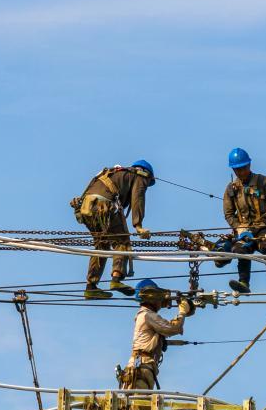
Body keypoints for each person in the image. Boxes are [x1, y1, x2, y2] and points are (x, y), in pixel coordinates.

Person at [72, 160, 156, 299]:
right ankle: (116, 280)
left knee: (102, 245)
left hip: (87, 209)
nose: (146, 185)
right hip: (104, 206)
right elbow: (138, 199)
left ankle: (91, 287)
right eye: (148, 183)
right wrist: (138, 226)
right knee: (122, 241)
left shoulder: (114, 173)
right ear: (147, 174)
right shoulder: (140, 176)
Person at [220, 147, 266, 295]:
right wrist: (238, 227)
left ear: (249, 166)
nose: (240, 172)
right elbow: (228, 214)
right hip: (244, 229)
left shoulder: (263, 181)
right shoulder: (231, 189)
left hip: (263, 226)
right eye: (237, 169)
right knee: (240, 250)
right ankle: (243, 283)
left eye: (243, 168)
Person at [119, 279, 192, 390]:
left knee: (138, 404)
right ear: (151, 296)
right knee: (138, 405)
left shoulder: (146, 315)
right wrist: (182, 312)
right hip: (142, 366)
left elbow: (166, 328)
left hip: (143, 366)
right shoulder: (147, 315)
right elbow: (172, 328)